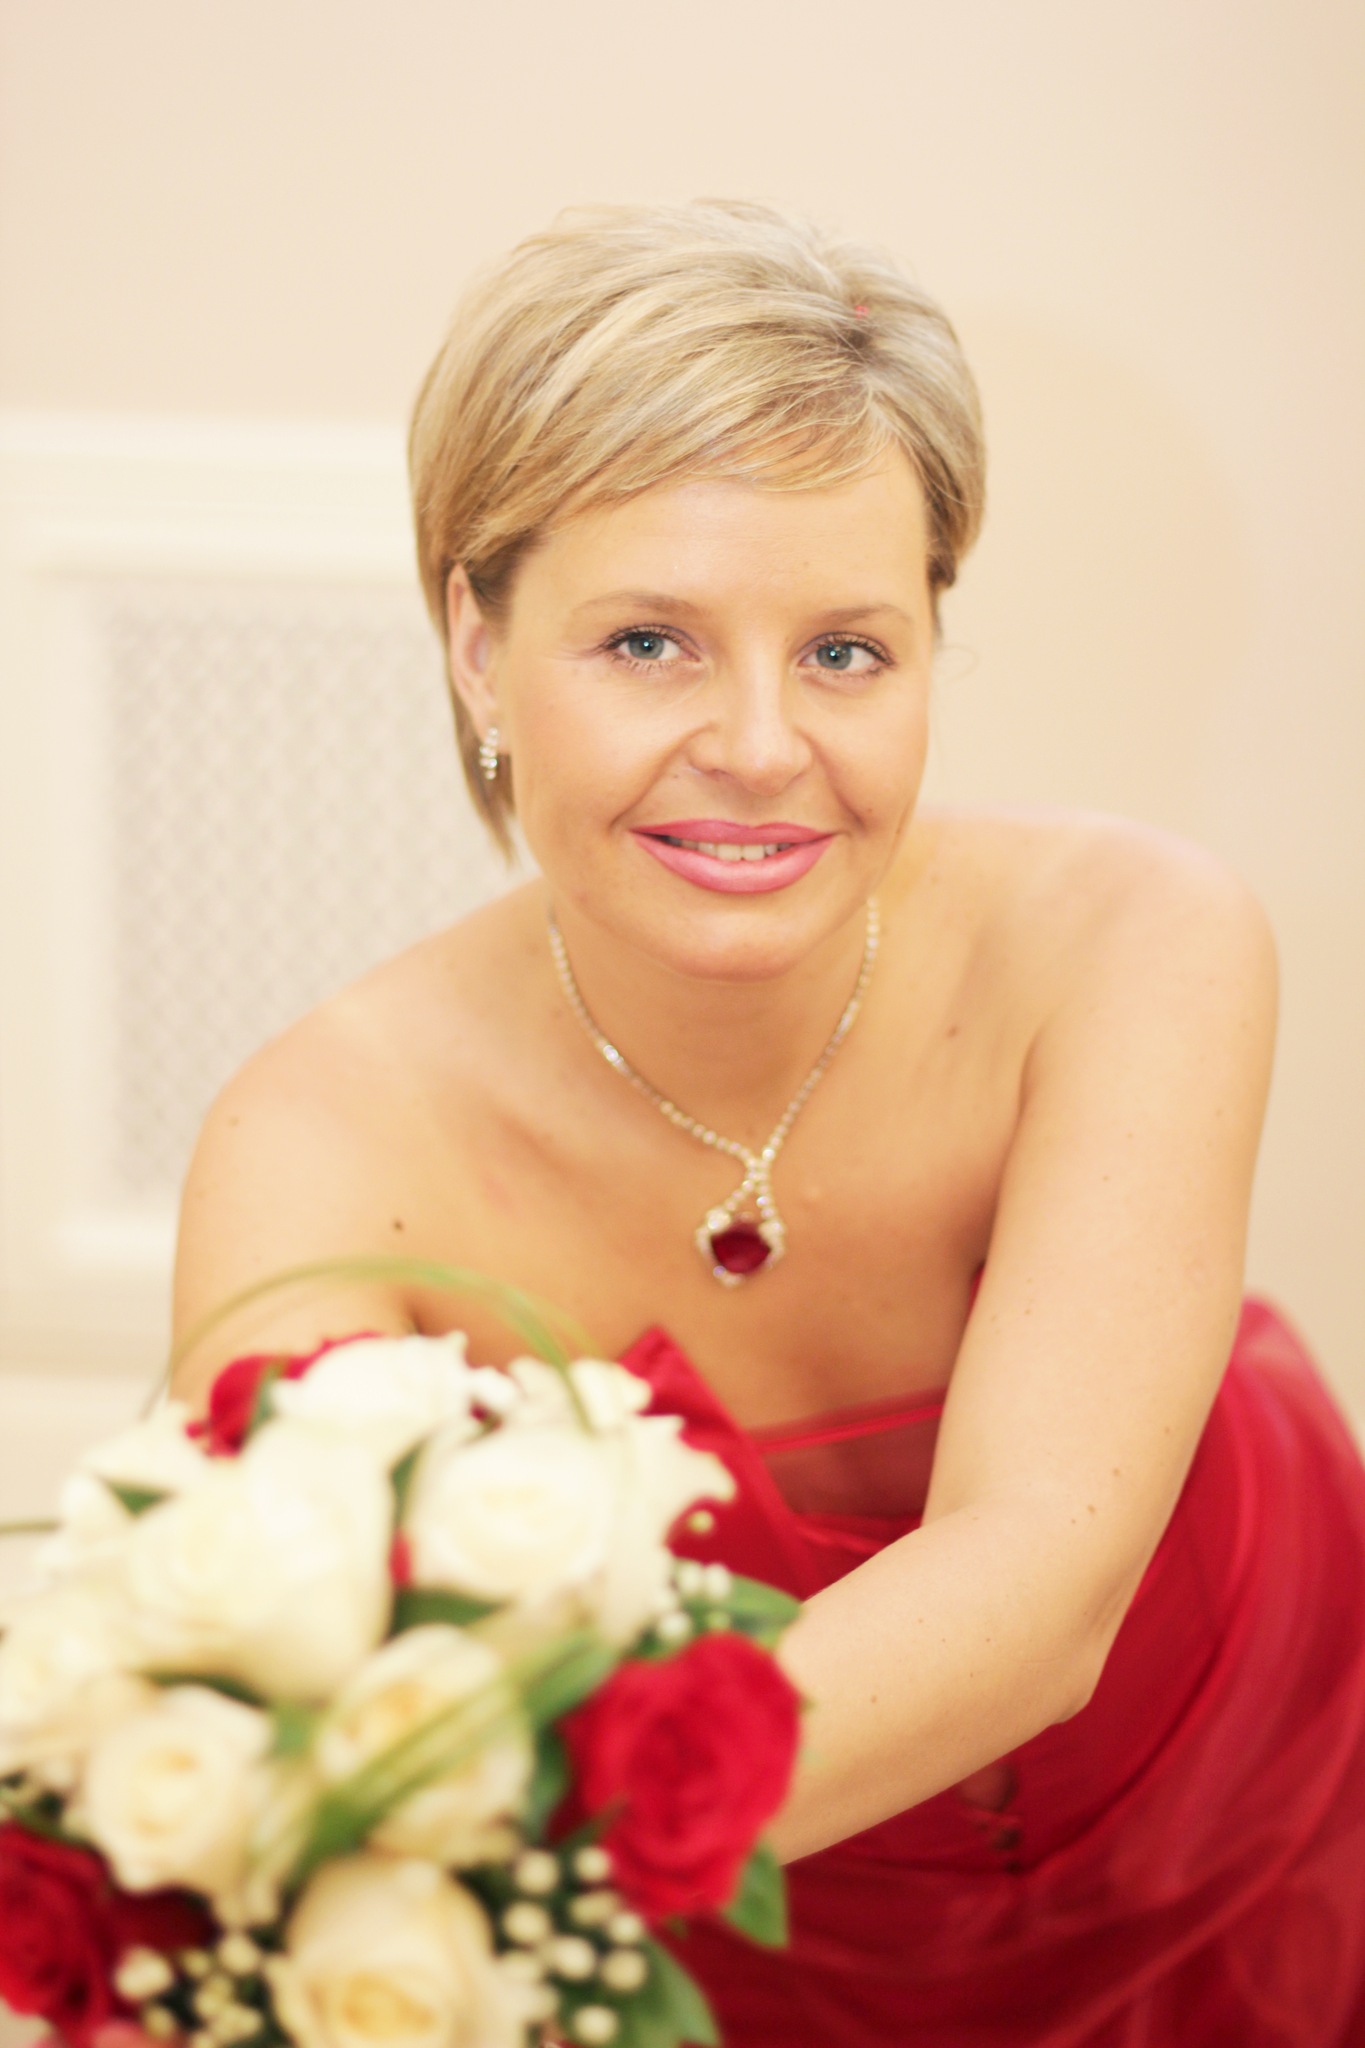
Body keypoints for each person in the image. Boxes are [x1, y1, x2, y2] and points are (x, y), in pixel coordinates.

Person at [170, 199, 1365, 2044]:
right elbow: (280, 1682)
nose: (755, 744)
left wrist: (463, 1878)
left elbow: (1040, 1591)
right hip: (728, 1933)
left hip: (1240, 1803)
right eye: (649, 641)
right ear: (477, 643)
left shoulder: (1136, 940)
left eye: (844, 653)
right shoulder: (317, 1149)